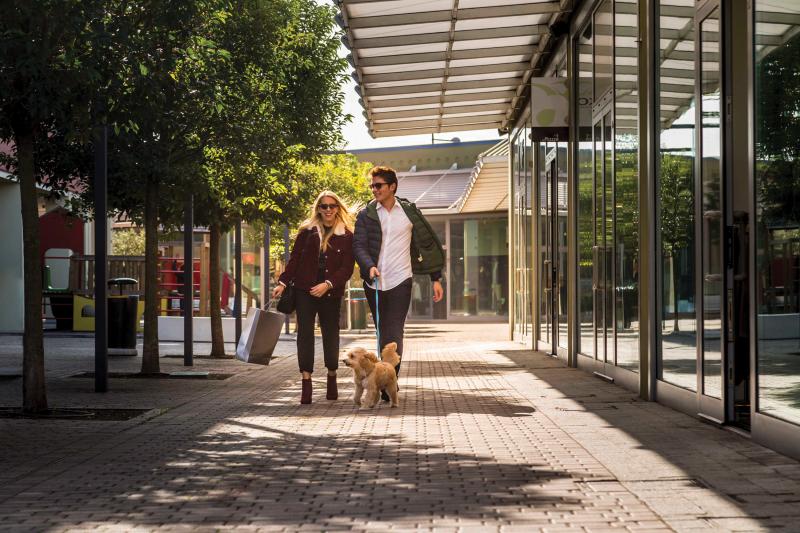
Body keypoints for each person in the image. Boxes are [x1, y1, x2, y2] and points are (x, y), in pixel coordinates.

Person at [353, 166, 444, 401]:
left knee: (394, 333)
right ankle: (384, 378)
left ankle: (388, 383)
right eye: (372, 186)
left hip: (401, 279)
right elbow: (359, 246)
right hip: (374, 282)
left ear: (392, 186)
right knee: (382, 330)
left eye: (378, 185)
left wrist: (435, 278)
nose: (374, 190)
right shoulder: (367, 214)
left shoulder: (409, 212)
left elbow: (428, 244)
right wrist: (368, 266)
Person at [272, 191, 355, 404]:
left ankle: (332, 377)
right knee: (305, 336)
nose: (328, 210)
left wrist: (327, 285)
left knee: (331, 334)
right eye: (324, 206)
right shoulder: (306, 232)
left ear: (338, 208)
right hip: (304, 291)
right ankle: (306, 383)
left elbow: (346, 269)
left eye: (332, 206)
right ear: (318, 208)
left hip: (331, 293)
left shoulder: (347, 235)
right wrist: (282, 283)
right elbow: (295, 260)